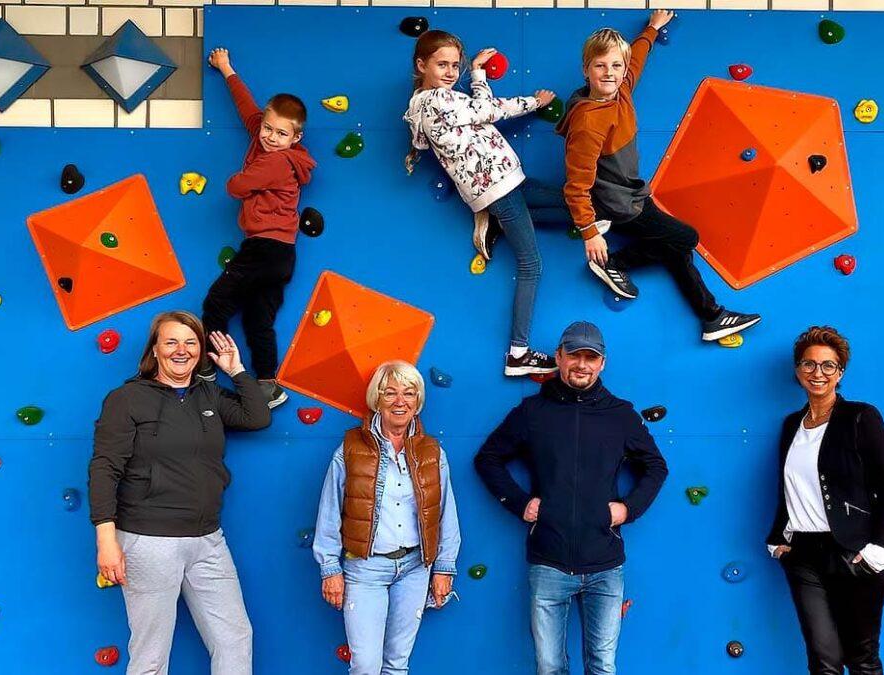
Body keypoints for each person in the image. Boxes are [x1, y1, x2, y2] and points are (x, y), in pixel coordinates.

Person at [474, 321, 668, 675]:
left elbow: (656, 467)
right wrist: (520, 503)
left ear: (602, 363)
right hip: (548, 562)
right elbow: (487, 459)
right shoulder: (532, 413)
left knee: (602, 666)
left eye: (590, 357)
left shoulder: (621, 414)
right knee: (550, 667)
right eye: (574, 355)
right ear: (558, 358)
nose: (582, 364)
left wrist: (628, 509)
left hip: (605, 564)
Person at [556, 11, 761, 342]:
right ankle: (613, 263)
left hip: (634, 194)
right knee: (686, 238)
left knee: (675, 251)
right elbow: (576, 185)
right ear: (586, 70)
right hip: (619, 204)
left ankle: (712, 317)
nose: (610, 73)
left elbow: (636, 60)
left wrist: (650, 30)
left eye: (615, 67)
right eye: (600, 66)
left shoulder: (621, 89)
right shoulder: (588, 123)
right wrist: (590, 232)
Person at [89, 310, 271, 675]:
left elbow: (257, 418)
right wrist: (106, 541)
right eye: (171, 341)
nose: (181, 350)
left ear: (201, 351)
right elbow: (104, 469)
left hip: (207, 540)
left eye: (191, 343)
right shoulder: (126, 399)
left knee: (235, 639)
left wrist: (236, 370)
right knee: (151, 656)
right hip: (148, 540)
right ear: (154, 350)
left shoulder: (209, 394)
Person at [403, 30, 567, 377]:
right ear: (421, 65)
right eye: (441, 64)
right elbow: (490, 110)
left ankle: (495, 223)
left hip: (507, 180)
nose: (450, 72)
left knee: (573, 204)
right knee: (532, 265)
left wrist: (477, 73)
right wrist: (536, 102)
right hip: (497, 187)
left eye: (454, 65)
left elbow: (472, 115)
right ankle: (518, 353)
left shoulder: (432, 103)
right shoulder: (439, 101)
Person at [766, 326, 884, 675]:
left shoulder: (861, 417)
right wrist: (778, 538)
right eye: (809, 365)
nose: (818, 373)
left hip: (854, 553)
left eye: (828, 366)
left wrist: (879, 550)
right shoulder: (791, 425)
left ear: (840, 372)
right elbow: (788, 488)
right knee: (823, 662)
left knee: (862, 661)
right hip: (804, 556)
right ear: (798, 370)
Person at [313, 361, 461, 675]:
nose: (400, 401)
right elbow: (329, 511)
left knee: (397, 665)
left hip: (415, 568)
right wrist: (329, 568)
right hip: (365, 569)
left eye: (409, 393)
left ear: (418, 402)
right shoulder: (351, 448)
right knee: (366, 665)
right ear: (377, 400)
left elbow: (446, 514)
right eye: (390, 393)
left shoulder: (433, 452)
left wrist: (444, 568)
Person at [201, 47, 317, 408]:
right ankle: (268, 384)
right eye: (267, 129)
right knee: (257, 319)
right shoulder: (264, 138)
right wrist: (226, 69)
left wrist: (243, 177)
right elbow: (246, 107)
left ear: (295, 138)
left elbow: (235, 188)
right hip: (282, 254)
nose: (269, 137)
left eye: (280, 133)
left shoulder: (278, 161)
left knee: (217, 301)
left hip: (264, 248)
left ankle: (204, 368)